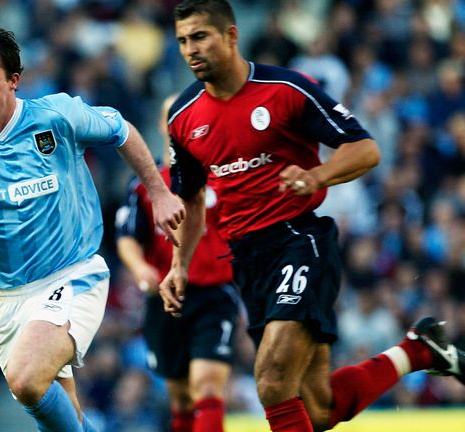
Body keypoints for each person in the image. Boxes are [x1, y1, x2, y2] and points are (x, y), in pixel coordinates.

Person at [158, 1, 465, 431]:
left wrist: (317, 175)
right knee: (317, 409)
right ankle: (418, 350)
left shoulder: (285, 89)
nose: (191, 49)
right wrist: (180, 265)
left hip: (299, 241)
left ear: (231, 35)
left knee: (271, 382)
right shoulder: (182, 116)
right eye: (183, 41)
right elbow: (191, 200)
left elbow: (365, 149)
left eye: (200, 36)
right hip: (247, 261)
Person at [0, 28, 185, 432]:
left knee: (26, 379)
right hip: (2, 298)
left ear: (13, 80)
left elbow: (121, 130)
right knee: (63, 420)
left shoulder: (55, 116)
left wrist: (159, 192)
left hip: (72, 274)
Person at [115, 95, 241, 432]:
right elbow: (127, 236)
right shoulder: (147, 183)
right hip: (165, 299)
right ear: (161, 125)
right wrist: (141, 268)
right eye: (170, 118)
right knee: (181, 397)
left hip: (214, 294)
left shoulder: (222, 176)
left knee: (209, 385)